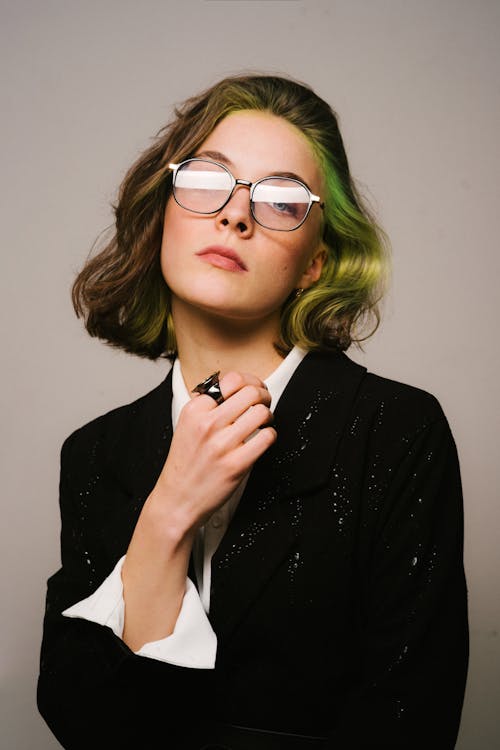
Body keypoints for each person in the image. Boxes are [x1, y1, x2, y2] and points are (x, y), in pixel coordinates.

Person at [37, 74, 468, 750]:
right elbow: (82, 717)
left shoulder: (395, 431)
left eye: (282, 200)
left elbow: (411, 717)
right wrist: (168, 514)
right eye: (209, 180)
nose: (236, 214)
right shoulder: (95, 453)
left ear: (314, 264)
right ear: (162, 218)